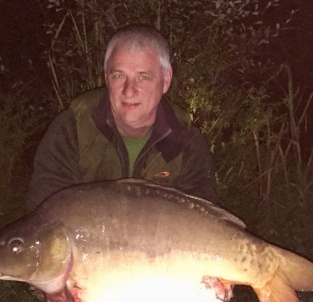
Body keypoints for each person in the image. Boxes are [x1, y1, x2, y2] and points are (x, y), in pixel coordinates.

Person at [26, 24, 218, 212]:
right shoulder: (72, 129)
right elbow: (46, 209)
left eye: (143, 77)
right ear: (107, 77)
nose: (129, 91)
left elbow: (203, 214)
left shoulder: (186, 140)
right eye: (119, 75)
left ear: (165, 81)